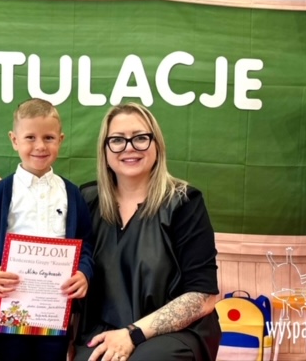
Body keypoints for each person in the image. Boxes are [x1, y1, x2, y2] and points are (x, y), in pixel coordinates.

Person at [74, 102, 221, 361]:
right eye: (117, 140)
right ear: (104, 150)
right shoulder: (85, 200)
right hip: (102, 331)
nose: (129, 147)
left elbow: (203, 297)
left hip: (173, 333)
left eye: (140, 138)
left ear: (157, 145)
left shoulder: (184, 202)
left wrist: (133, 334)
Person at [0, 98, 94, 361]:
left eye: (49, 138)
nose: (40, 146)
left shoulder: (72, 194)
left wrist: (84, 272)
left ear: (60, 140)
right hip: (9, 309)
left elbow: (86, 246)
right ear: (14, 140)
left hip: (55, 311)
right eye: (30, 137)